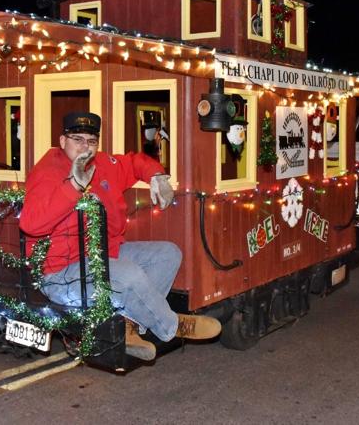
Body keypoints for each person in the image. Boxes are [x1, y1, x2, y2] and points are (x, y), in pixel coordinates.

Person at [19, 112, 221, 361]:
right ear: (62, 141)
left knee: (168, 254)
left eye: (91, 141)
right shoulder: (48, 171)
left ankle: (130, 324)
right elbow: (31, 224)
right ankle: (171, 325)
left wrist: (156, 175)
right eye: (77, 139)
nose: (85, 147)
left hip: (102, 253)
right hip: (62, 272)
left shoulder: (102, 164)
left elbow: (134, 162)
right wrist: (72, 186)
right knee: (128, 274)